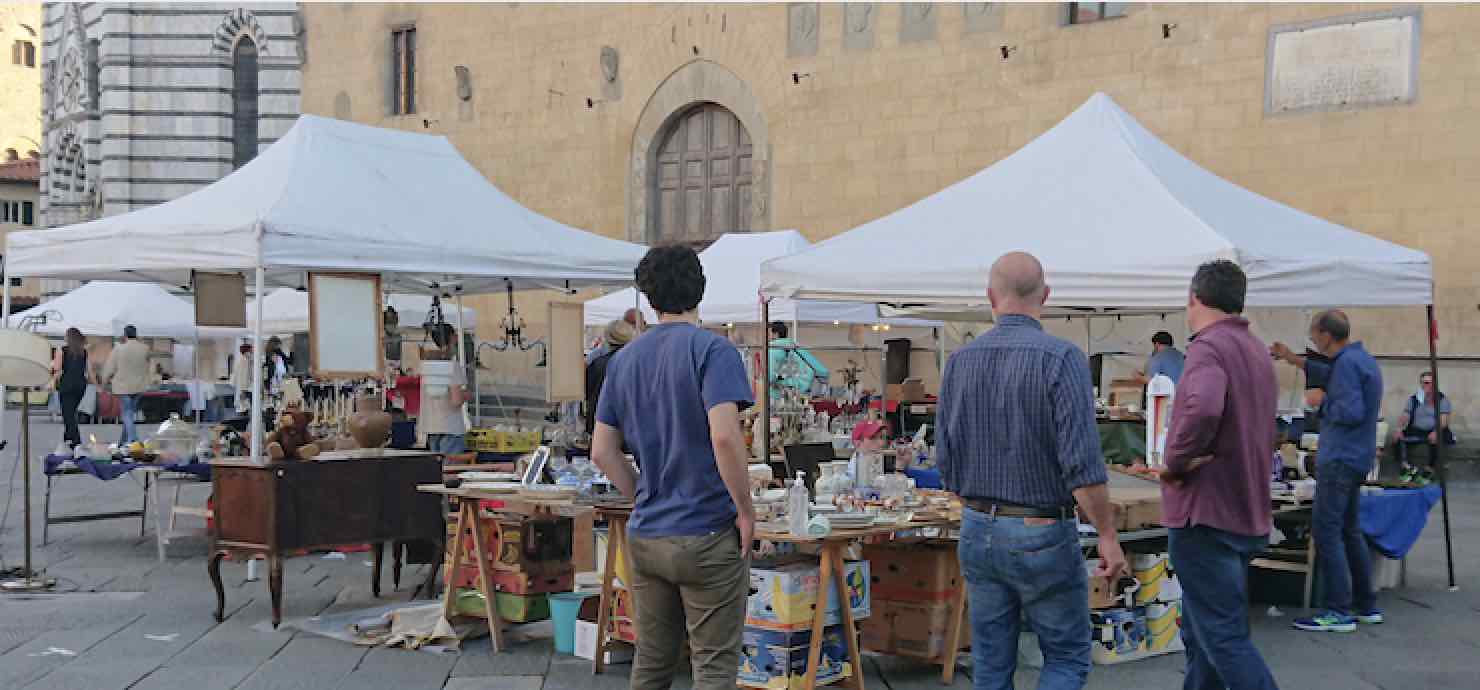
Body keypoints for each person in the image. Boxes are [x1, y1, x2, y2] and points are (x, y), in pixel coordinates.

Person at [936, 251, 1126, 690]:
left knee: (990, 662)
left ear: (990, 297)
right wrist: (1107, 535)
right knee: (1064, 657)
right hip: (1041, 527)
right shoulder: (1062, 359)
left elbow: (945, 459)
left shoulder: (959, 362)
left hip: (978, 525)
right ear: (1046, 296)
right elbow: (1082, 465)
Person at [590, 245, 754, 690]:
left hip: (649, 532)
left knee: (653, 662)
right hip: (706, 530)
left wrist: (641, 493)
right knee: (713, 667)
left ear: (649, 297)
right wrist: (745, 509)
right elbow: (724, 436)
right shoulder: (712, 351)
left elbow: (602, 451)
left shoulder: (623, 361)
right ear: (699, 289)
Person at [1158, 260, 1280, 690]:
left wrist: (1174, 461)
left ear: (1194, 297)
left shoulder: (1208, 347)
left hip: (1205, 514)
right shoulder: (1256, 351)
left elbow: (1205, 406)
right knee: (1202, 632)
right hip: (1242, 509)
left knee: (1223, 637)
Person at [1272, 310, 1384, 633]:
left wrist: (1320, 401)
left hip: (1339, 458)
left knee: (1327, 532)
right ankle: (1366, 603)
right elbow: (1329, 371)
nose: (1312, 339)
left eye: (1313, 333)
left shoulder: (1347, 365)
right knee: (1349, 530)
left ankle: (1338, 609)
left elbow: (1350, 410)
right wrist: (1293, 359)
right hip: (1357, 457)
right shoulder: (1360, 359)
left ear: (1325, 335)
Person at [1388, 371, 1452, 483]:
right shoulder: (1415, 399)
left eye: (1428, 383)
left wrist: (1436, 431)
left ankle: (1429, 470)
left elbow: (1444, 420)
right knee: (1397, 437)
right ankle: (1407, 468)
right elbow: (1405, 415)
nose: (1425, 385)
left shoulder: (1441, 399)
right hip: (1417, 430)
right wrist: (1398, 429)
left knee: (1436, 438)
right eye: (1423, 383)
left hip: (1436, 429)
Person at [585, 318, 635, 436]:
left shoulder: (598, 363)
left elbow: (587, 391)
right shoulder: (637, 365)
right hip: (629, 425)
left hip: (600, 423)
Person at [102, 325, 151, 445]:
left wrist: (104, 382)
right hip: (139, 386)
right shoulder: (145, 348)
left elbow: (110, 368)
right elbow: (149, 366)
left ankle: (133, 439)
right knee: (129, 413)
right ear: (136, 334)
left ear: (125, 335)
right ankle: (123, 441)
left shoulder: (118, 349)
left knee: (127, 413)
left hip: (122, 386)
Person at [419, 348, 469, 455]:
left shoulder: (424, 367)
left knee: (436, 468)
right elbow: (456, 401)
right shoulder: (452, 367)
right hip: (451, 427)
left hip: (431, 427)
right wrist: (465, 395)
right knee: (448, 469)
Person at [51, 327, 91, 448]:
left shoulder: (62, 350)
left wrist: (52, 379)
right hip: (80, 386)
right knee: (70, 414)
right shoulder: (84, 352)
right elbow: (89, 371)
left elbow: (57, 369)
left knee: (68, 416)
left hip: (67, 385)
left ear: (69, 338)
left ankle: (76, 443)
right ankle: (67, 441)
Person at [767, 321, 829, 397]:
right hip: (802, 387)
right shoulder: (792, 345)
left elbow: (770, 376)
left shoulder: (773, 348)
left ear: (775, 334)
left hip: (781, 392)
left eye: (768, 332)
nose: (766, 335)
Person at [846, 419, 888, 484]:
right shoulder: (854, 472)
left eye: (881, 437)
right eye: (872, 438)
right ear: (858, 443)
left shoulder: (875, 458)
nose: (881, 443)